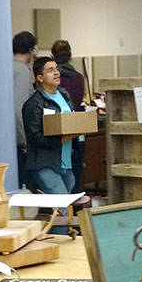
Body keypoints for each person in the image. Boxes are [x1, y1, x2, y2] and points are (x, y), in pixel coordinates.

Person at [21, 56, 80, 194]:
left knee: (64, 208)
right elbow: (34, 137)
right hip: (45, 164)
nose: (56, 73)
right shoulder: (34, 104)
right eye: (50, 70)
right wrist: (60, 139)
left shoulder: (64, 95)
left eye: (57, 69)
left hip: (67, 161)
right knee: (63, 208)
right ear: (40, 78)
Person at [50, 39, 87, 193]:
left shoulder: (53, 79)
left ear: (53, 56)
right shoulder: (79, 77)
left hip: (58, 132)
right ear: (70, 55)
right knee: (76, 176)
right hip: (78, 131)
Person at [12, 30, 37, 185]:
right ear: (31, 50)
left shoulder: (3, 66)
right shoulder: (22, 71)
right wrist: (24, 139)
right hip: (16, 139)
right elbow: (19, 106)